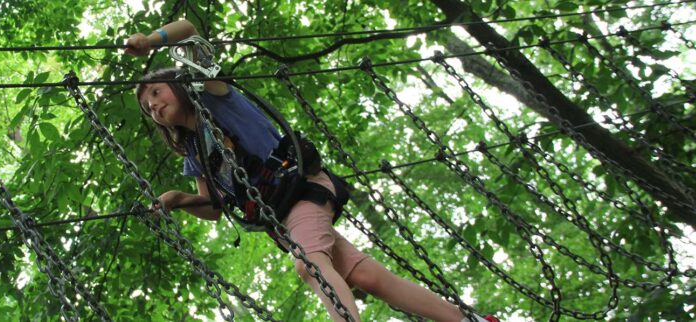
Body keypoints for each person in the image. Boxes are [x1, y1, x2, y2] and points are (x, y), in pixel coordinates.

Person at [123, 19, 499, 322]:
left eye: (156, 93)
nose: (153, 105)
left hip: (299, 186)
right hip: (279, 219)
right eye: (146, 107)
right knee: (366, 277)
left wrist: (150, 40)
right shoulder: (194, 152)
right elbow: (214, 207)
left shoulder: (214, 95)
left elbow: (188, 29)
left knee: (308, 265)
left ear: (177, 84)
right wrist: (179, 199)